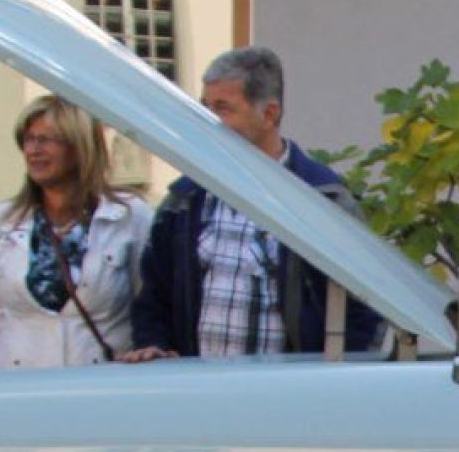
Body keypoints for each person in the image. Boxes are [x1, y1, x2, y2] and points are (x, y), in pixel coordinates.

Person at [126, 46, 378, 360]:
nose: (208, 121)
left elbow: (365, 310)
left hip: (288, 397)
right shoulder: (185, 200)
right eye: (205, 107)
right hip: (200, 394)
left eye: (223, 108)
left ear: (269, 114)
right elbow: (154, 296)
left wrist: (334, 383)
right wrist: (155, 347)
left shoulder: (323, 199)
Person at [0, 96, 152, 367]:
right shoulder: (2, 220)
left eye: (46, 139)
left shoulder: (129, 216)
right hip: (23, 382)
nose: (34, 150)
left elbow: (150, 301)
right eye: (29, 139)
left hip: (103, 381)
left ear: (80, 146)